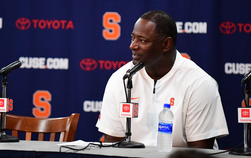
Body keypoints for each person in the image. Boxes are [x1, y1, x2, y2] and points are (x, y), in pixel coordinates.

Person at [96, 10, 229, 149]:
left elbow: (199, 152)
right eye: (132, 38)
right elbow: (112, 145)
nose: (133, 46)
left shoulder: (200, 84)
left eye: (142, 40)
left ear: (166, 44)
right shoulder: (120, 79)